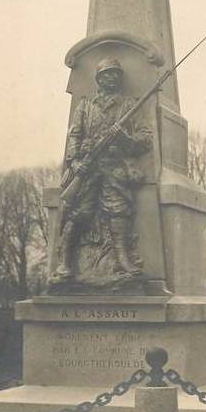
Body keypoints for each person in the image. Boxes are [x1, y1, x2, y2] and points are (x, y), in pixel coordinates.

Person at [50, 57, 152, 286]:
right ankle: (65, 262)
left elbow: (145, 139)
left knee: (118, 211)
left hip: (115, 166)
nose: (111, 77)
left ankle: (123, 261)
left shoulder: (128, 106)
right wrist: (75, 162)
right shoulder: (86, 105)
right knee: (78, 212)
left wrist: (124, 138)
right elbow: (74, 136)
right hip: (88, 167)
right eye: (106, 74)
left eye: (115, 74)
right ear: (99, 79)